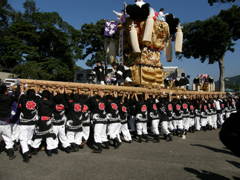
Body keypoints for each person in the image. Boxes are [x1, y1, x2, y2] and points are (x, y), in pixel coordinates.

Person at [18, 89, 39, 162]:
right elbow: (38, 96)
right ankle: (28, 149)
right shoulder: (37, 100)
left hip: (24, 123)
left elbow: (20, 97)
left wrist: (22, 91)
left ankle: (26, 153)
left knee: (23, 139)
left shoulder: (23, 100)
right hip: (32, 123)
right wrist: (36, 93)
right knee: (29, 138)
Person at [0, 84, 16, 160]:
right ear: (6, 91)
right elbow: (16, 97)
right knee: (8, 138)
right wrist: (13, 90)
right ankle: (11, 154)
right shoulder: (9, 98)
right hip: (6, 121)